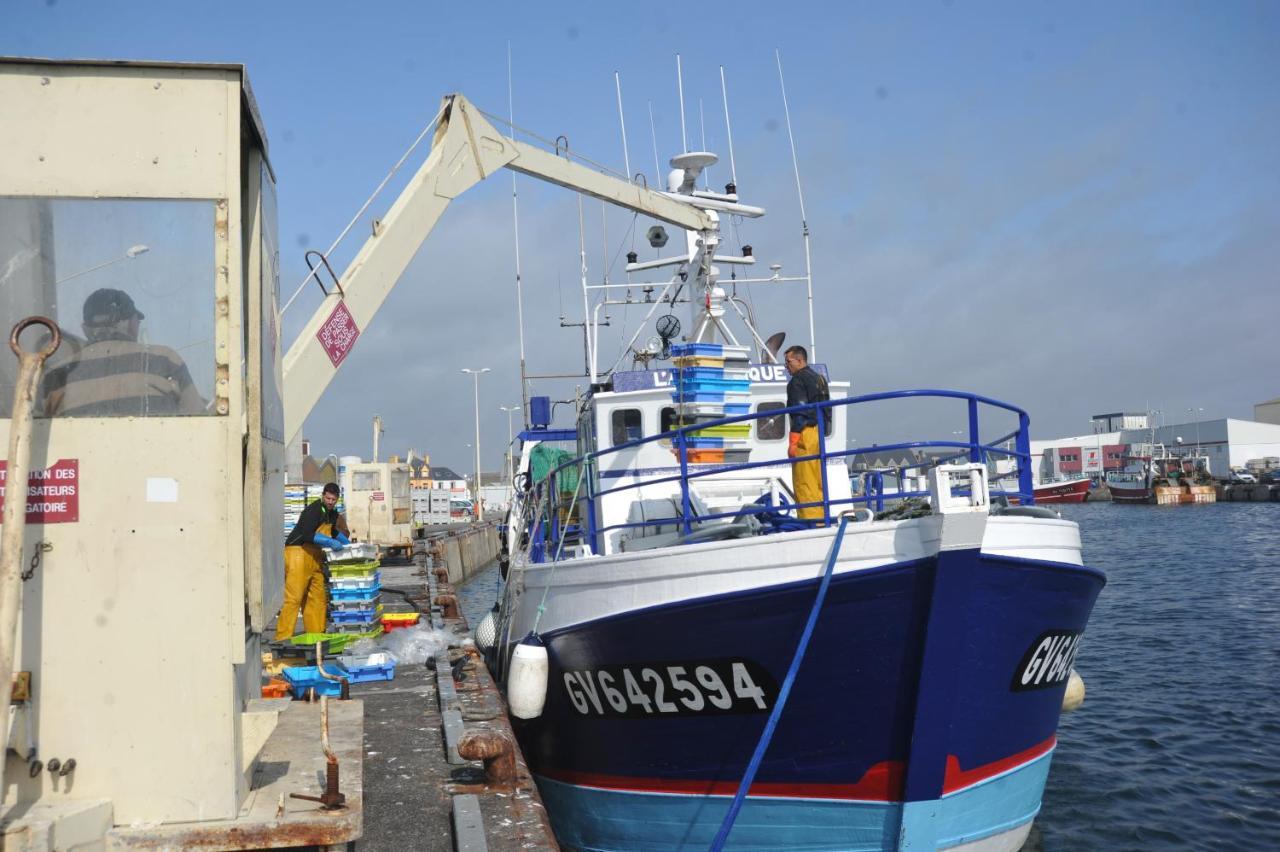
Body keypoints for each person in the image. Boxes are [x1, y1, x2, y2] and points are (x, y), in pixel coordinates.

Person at [43, 288, 205, 416]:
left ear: (85, 329)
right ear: (130, 323)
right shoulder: (166, 360)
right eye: (137, 320)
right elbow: (199, 420)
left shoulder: (57, 374)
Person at [275, 482, 350, 641]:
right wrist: (329, 542)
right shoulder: (313, 510)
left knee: (317, 599)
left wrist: (350, 546)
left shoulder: (333, 514)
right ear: (323, 495)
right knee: (294, 599)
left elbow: (335, 532)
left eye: (333, 499)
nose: (330, 502)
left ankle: (317, 637)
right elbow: (307, 534)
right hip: (298, 554)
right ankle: (282, 638)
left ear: (337, 500)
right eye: (328, 498)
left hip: (315, 558)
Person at [784, 345, 830, 523]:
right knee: (818, 480)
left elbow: (800, 411)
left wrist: (794, 440)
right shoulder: (819, 379)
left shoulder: (797, 381)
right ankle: (821, 518)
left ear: (800, 360)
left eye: (788, 362)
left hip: (805, 433)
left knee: (804, 481)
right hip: (818, 434)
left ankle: (810, 522)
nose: (786, 366)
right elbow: (826, 410)